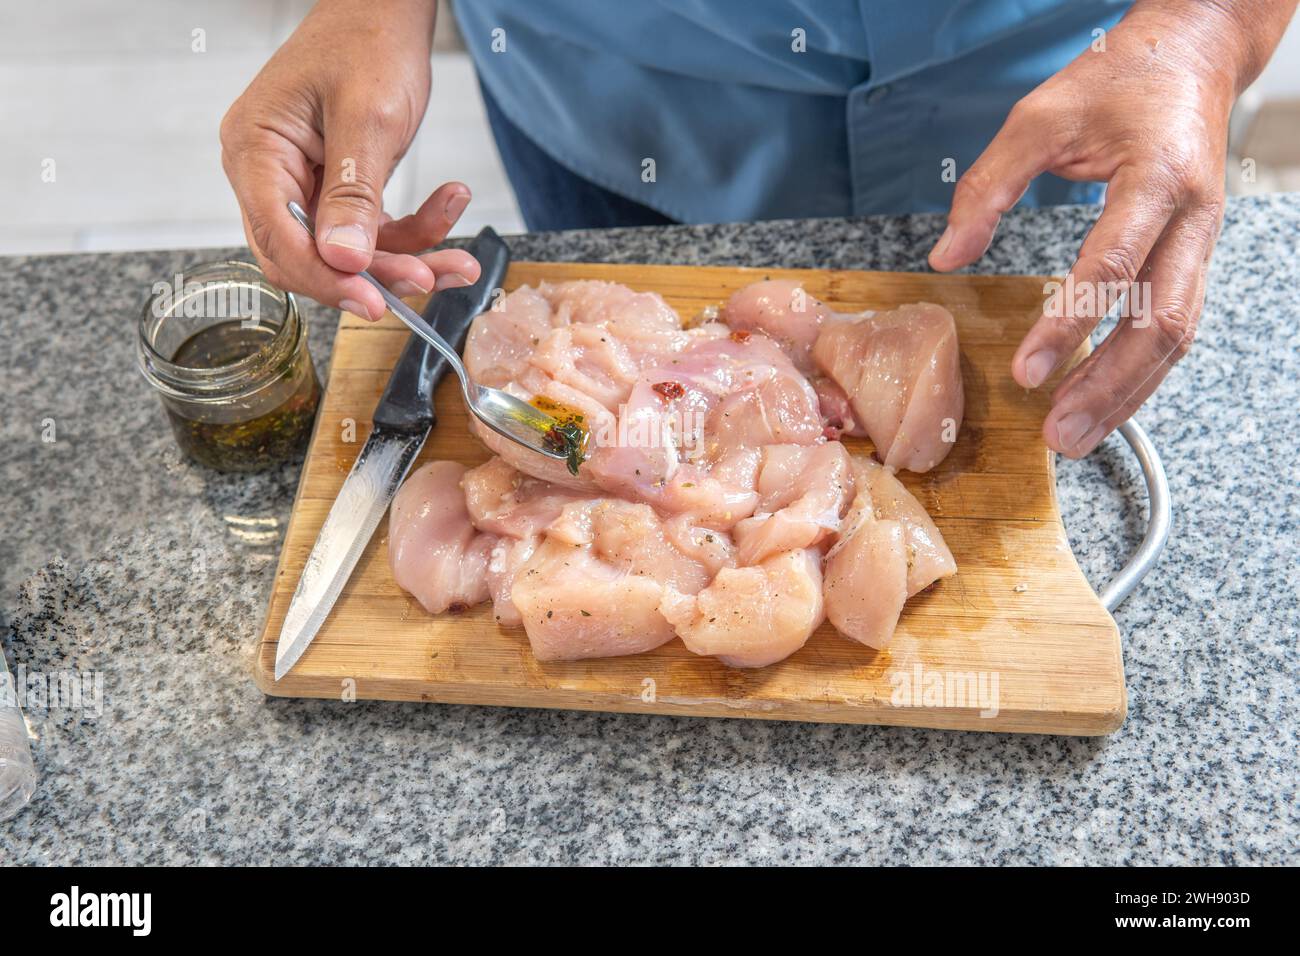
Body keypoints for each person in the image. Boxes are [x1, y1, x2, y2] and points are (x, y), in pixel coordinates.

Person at [220, 0, 1296, 457]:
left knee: (1014, 352)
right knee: (613, 347)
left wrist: (1208, 27)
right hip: (630, 74)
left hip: (1049, 89)